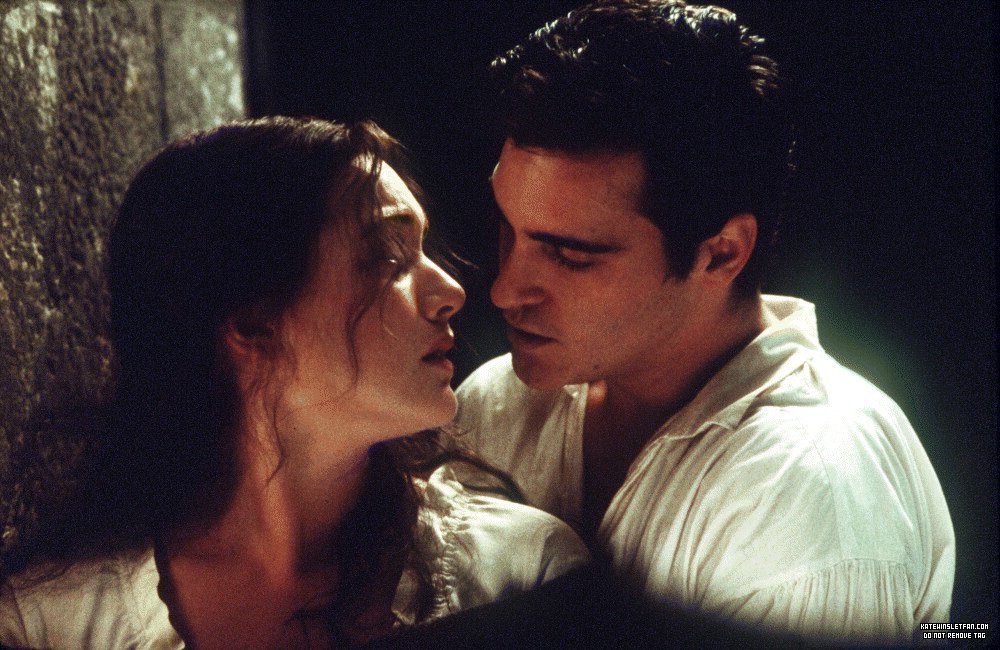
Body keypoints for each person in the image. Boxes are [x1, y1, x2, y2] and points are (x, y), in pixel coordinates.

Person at [455, 0, 955, 644]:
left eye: (571, 256)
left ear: (721, 254)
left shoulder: (805, 489)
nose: (503, 290)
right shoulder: (494, 406)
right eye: (508, 229)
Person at [0, 116, 588, 649]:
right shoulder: (49, 625)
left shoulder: (519, 575)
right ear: (253, 322)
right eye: (387, 254)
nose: (451, 291)